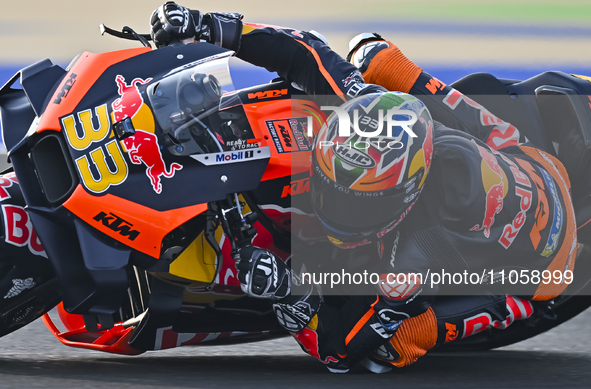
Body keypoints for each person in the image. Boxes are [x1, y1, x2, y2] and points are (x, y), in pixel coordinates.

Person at [149, 3, 578, 373]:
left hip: (534, 274)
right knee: (375, 58)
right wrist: (206, 25)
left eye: (356, 204)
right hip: (522, 155)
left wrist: (286, 292)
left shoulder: (412, 259)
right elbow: (307, 52)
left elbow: (339, 350)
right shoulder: (368, 104)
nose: (335, 207)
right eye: (331, 187)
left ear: (403, 202)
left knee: (392, 347)